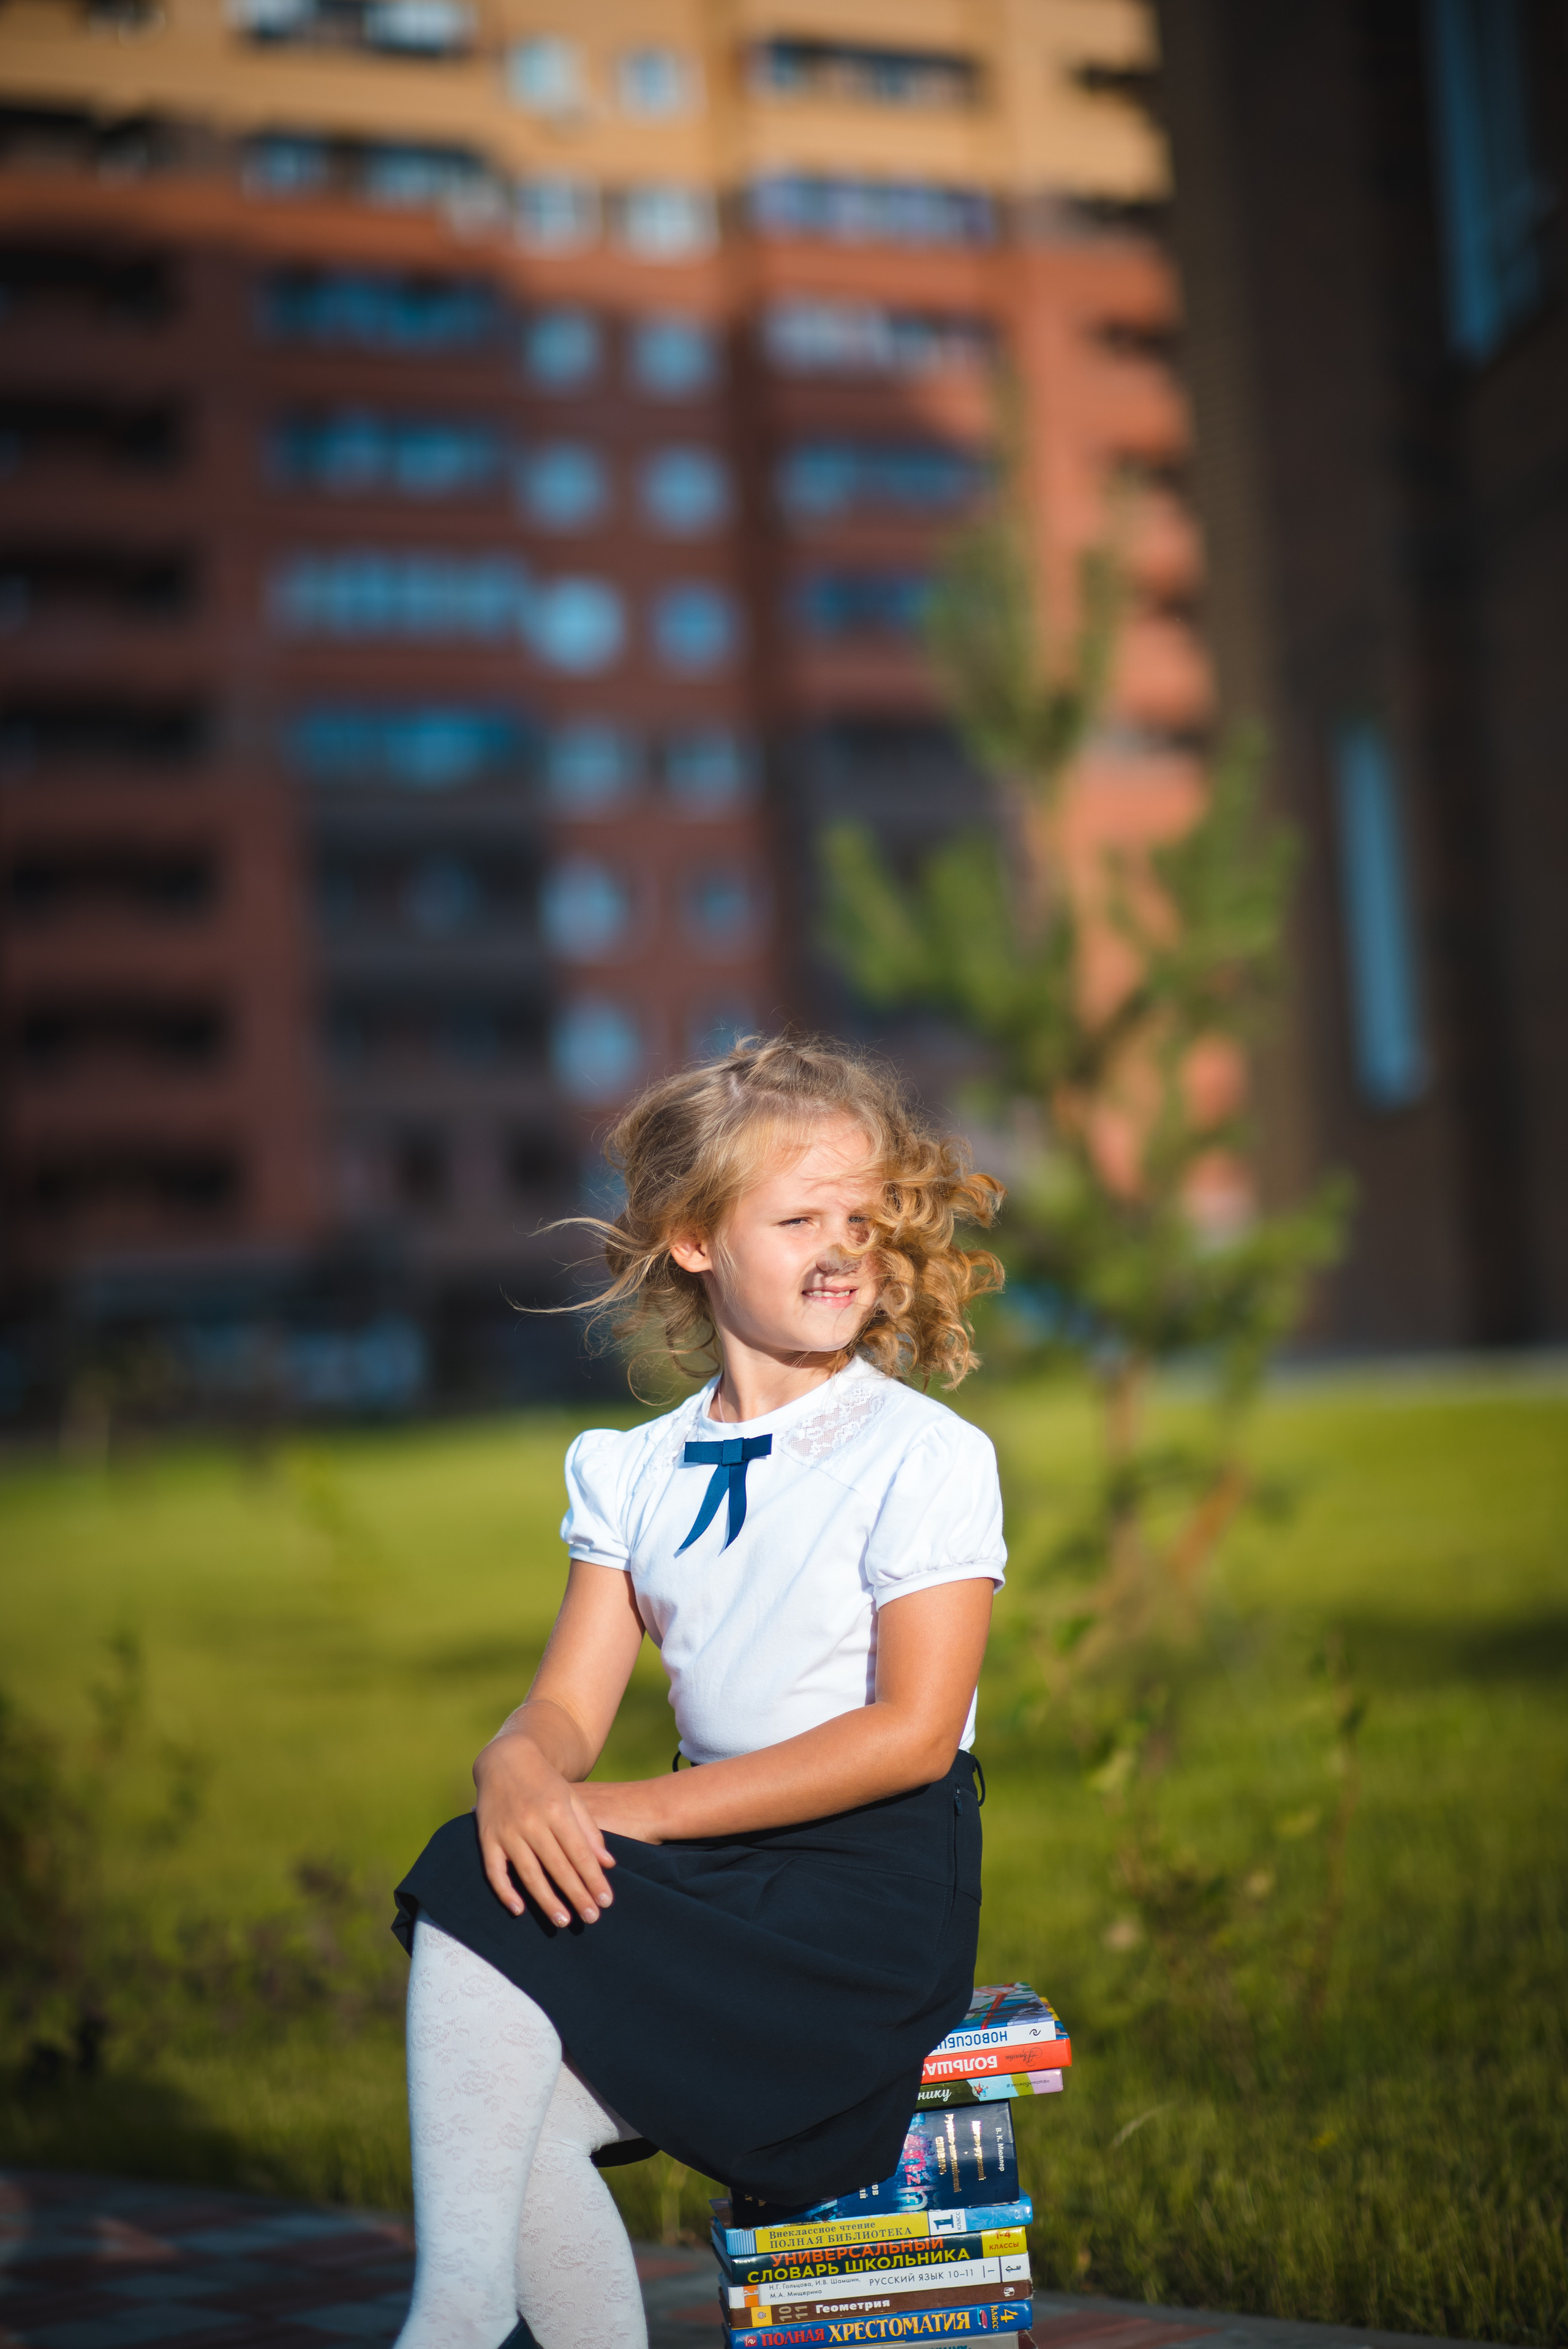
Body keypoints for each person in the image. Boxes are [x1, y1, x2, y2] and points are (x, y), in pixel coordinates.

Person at [391, 1037, 1007, 2349]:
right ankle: (455, 2310)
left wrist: (631, 1816)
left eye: (862, 1220)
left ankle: (445, 2328)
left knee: (468, 1887)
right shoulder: (632, 1470)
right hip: (713, 1876)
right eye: (797, 1219)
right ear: (691, 1240)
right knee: (511, 2068)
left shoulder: (923, 1456)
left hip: (860, 1902)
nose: (840, 1248)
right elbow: (567, 1703)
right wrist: (517, 1762)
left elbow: (907, 1737)